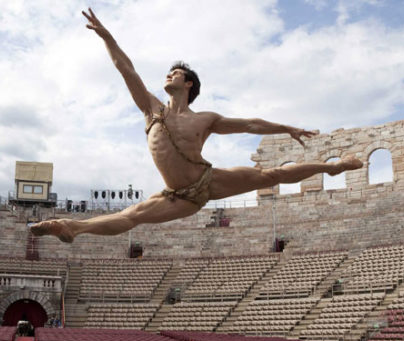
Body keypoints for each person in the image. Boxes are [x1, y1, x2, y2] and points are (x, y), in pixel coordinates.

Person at [30, 8, 363, 243]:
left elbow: (249, 124)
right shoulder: (151, 110)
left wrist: (286, 127)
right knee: (131, 217)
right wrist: (107, 38)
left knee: (270, 176)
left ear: (188, 84)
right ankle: (72, 227)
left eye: (176, 74)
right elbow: (126, 70)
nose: (169, 75)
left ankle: (333, 168)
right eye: (169, 73)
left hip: (208, 182)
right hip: (177, 197)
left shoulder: (205, 119)